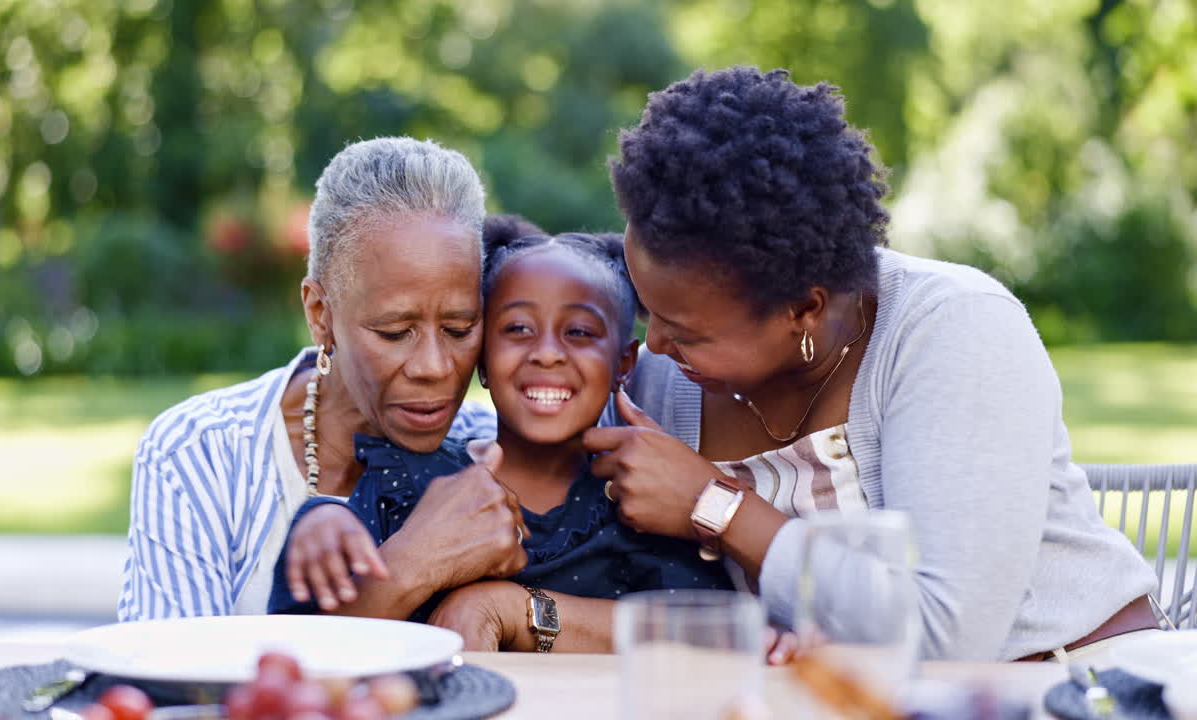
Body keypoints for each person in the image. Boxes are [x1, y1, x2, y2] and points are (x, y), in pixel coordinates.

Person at [584, 66, 1159, 662]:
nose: (655, 346)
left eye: (686, 332)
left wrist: (715, 507)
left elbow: (946, 638)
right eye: (649, 313)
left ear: (803, 309)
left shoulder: (952, 329)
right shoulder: (664, 381)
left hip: (1075, 677)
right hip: (830, 691)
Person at [270, 217, 734, 651]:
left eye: (578, 332)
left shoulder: (639, 507)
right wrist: (320, 517)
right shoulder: (406, 480)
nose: (547, 354)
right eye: (518, 329)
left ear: (624, 364)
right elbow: (305, 638)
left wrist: (516, 612)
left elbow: (712, 633)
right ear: (483, 360)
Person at [117, 137, 520, 620]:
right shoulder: (201, 453)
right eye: (394, 332)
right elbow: (170, 663)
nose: (434, 366)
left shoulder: (492, 453)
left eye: (459, 328)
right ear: (319, 314)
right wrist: (410, 568)